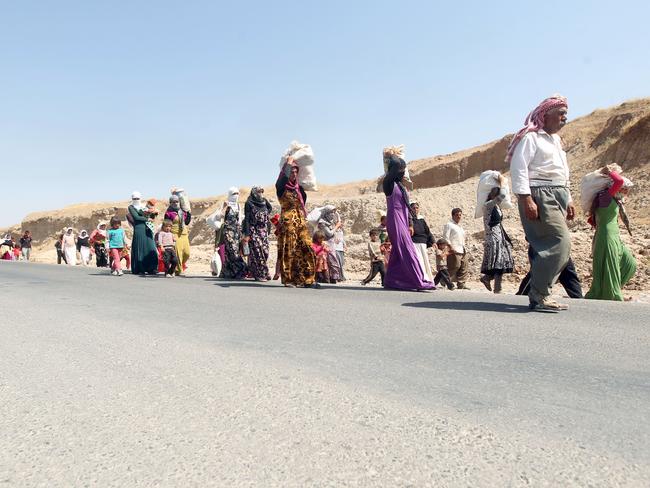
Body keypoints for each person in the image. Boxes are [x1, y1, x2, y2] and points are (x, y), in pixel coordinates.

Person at [508, 94, 574, 312]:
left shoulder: (556, 141)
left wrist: (569, 198)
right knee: (559, 241)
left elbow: (562, 172)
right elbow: (518, 168)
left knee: (554, 246)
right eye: (560, 114)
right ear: (545, 115)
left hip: (558, 193)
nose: (565, 118)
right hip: (539, 193)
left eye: (566, 114)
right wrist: (526, 198)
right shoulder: (531, 138)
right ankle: (538, 295)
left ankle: (542, 293)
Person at [382, 153, 433, 290]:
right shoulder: (388, 184)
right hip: (395, 219)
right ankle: (418, 281)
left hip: (403, 220)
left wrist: (410, 224)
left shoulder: (400, 186)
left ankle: (391, 280)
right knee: (407, 250)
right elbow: (394, 166)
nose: (403, 172)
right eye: (401, 170)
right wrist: (393, 157)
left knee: (397, 253)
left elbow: (406, 207)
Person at [585, 168, 636, 301]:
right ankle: (611, 294)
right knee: (610, 266)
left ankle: (613, 290)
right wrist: (611, 172)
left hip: (614, 237)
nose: (626, 192)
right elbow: (618, 181)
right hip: (606, 236)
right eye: (625, 189)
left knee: (630, 263)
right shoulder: (605, 196)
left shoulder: (614, 199)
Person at [276, 157, 317, 288]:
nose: (293, 174)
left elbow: (303, 202)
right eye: (291, 172)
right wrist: (288, 163)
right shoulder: (281, 187)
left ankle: (307, 278)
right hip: (288, 223)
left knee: (307, 246)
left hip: (300, 221)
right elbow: (282, 179)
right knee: (290, 249)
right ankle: (289, 279)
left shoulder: (300, 190)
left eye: (295, 172)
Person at [479, 178, 515, 294]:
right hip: (493, 238)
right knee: (498, 263)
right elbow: (503, 196)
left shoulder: (496, 207)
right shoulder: (488, 205)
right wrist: (503, 184)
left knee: (500, 262)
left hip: (499, 237)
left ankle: (488, 279)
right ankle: (497, 288)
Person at [516, 254, 583, 299]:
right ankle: (521, 298)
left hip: (558, 246)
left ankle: (579, 301)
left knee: (568, 273)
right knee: (539, 272)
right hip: (545, 246)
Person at [216, 187, 247, 279]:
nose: (236, 196)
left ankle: (228, 272)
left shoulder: (238, 205)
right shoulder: (226, 204)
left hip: (237, 231)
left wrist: (241, 232)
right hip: (228, 231)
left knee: (231, 252)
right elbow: (219, 216)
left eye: (237, 193)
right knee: (233, 251)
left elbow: (240, 219)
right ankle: (240, 270)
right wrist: (225, 208)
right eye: (234, 194)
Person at [243, 186, 273, 281]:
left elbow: (270, 208)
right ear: (254, 192)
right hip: (253, 229)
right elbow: (247, 219)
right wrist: (247, 234)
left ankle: (258, 271)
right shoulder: (249, 203)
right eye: (259, 191)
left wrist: (264, 215)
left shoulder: (264, 201)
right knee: (257, 251)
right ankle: (260, 274)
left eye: (262, 191)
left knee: (265, 251)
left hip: (263, 230)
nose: (260, 193)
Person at [128, 191, 158, 275]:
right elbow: (136, 217)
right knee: (140, 247)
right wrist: (147, 218)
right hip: (139, 228)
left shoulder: (144, 206)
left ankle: (152, 268)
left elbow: (151, 216)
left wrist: (154, 213)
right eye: (134, 198)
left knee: (151, 247)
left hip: (147, 228)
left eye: (137, 198)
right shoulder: (131, 207)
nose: (136, 200)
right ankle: (140, 268)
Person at [164, 195, 191, 275]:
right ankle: (179, 270)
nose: (175, 203)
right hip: (174, 234)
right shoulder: (168, 213)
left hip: (184, 234)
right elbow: (166, 225)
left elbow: (186, 222)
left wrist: (189, 213)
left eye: (177, 202)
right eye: (173, 202)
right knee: (178, 253)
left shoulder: (183, 211)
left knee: (187, 253)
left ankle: (175, 266)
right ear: (170, 203)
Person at [442, 208, 468, 289]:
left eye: (460, 215)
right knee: (455, 266)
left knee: (464, 267)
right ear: (453, 215)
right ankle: (444, 279)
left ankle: (461, 284)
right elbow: (446, 237)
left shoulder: (460, 227)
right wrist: (450, 247)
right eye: (457, 215)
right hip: (454, 248)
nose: (459, 217)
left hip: (462, 248)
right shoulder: (449, 225)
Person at [410, 201, 435, 283]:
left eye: (417, 208)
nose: (415, 209)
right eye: (413, 208)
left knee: (425, 262)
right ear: (410, 209)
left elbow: (428, 232)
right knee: (418, 261)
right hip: (414, 243)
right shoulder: (409, 220)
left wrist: (433, 241)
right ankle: (420, 279)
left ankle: (427, 279)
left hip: (423, 244)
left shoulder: (421, 220)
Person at [317, 206, 343, 283]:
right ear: (326, 213)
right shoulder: (322, 222)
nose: (332, 214)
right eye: (331, 212)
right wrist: (337, 226)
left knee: (333, 260)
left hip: (331, 243)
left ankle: (333, 277)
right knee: (329, 260)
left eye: (333, 212)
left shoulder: (329, 222)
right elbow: (329, 233)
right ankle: (327, 277)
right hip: (326, 244)